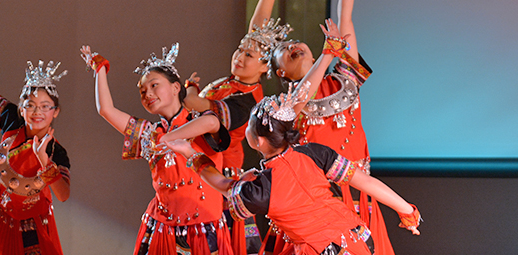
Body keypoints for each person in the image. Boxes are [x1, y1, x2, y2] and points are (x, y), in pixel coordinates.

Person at [165, 90, 421, 255]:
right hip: (358, 239)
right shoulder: (314, 153)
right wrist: (407, 211)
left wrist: (190, 153)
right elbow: (364, 181)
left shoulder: (261, 189)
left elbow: (221, 182)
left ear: (259, 141)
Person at [81, 43, 234, 255]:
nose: (147, 93)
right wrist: (100, 69)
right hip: (163, 228)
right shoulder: (150, 133)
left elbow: (212, 124)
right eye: (142, 91)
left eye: (154, 85)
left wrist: (167, 138)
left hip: (202, 228)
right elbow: (105, 110)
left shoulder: (199, 122)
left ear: (175, 87)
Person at [270, 0, 396, 253]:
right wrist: (329, 53)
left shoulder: (345, 78)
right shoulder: (284, 104)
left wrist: (345, 7)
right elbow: (301, 97)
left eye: (295, 43)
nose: (292, 46)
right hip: (317, 197)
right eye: (283, 49)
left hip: (357, 189)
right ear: (281, 73)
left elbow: (346, 20)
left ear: (315, 55)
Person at [180, 1, 283, 253]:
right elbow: (255, 31)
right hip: (197, 164)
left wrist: (190, 88)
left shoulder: (247, 101)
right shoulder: (233, 83)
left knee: (212, 243)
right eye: (239, 50)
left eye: (249, 55)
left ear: (264, 67)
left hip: (215, 174)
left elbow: (192, 102)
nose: (239, 56)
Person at [0, 45, 72, 254]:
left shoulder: (56, 151)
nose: (37, 112)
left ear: (55, 112)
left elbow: (63, 195)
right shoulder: (12, 120)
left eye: (45, 106)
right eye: (30, 105)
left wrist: (45, 162)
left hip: (31, 226)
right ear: (21, 108)